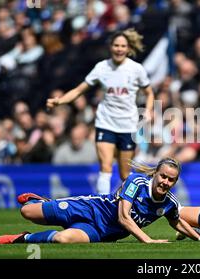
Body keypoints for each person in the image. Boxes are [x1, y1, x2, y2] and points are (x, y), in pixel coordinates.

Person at [0, 157, 200, 244]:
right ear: (155, 174)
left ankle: (24, 238)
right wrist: (148, 240)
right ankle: (40, 201)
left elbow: (176, 220)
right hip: (90, 208)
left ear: (175, 181)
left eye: (171, 179)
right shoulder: (136, 181)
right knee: (27, 212)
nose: (166, 182)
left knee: (62, 240)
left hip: (101, 231)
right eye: (163, 176)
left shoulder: (169, 202)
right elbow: (124, 218)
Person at [46, 28, 154, 195]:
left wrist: (148, 110)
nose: (119, 49)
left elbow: (149, 93)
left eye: (123, 46)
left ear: (128, 48)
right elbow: (78, 90)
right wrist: (60, 100)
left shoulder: (136, 69)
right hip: (105, 123)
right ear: (110, 47)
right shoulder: (102, 68)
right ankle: (101, 205)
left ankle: (128, 206)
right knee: (105, 167)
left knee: (125, 174)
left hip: (127, 125)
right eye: (116, 45)